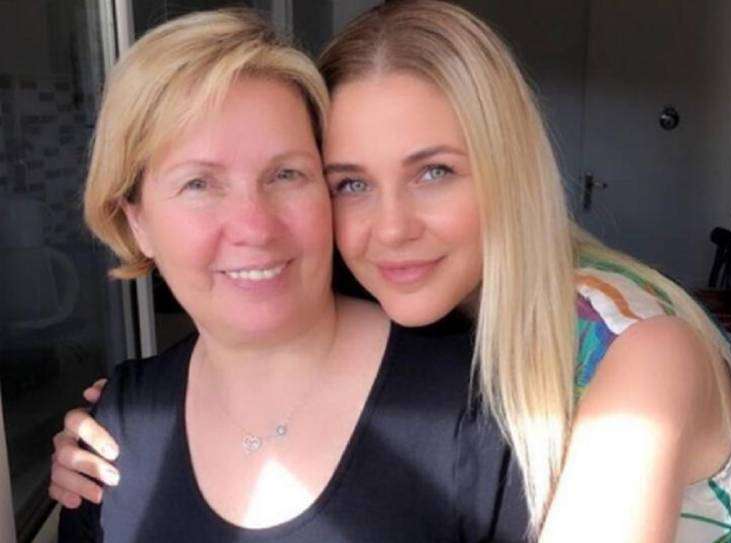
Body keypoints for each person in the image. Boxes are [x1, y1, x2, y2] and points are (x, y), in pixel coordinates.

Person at [52, 1, 731, 541]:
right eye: (351, 182)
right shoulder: (407, 301)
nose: (391, 229)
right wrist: (126, 421)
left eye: (434, 171)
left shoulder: (640, 355)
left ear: (511, 170)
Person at [55, 8, 526, 542]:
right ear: (137, 222)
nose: (255, 227)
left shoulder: (482, 407)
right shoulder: (113, 433)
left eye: (285, 174)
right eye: (199, 184)